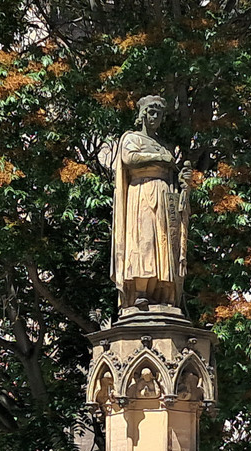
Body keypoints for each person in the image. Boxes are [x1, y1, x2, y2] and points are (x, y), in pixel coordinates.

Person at [111, 94, 193, 310]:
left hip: (165, 195)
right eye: (151, 112)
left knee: (164, 245)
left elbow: (172, 176)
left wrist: (183, 181)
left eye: (159, 113)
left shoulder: (163, 144)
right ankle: (141, 292)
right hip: (142, 192)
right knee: (144, 241)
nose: (155, 116)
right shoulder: (131, 138)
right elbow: (130, 159)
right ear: (142, 114)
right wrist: (162, 159)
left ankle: (163, 291)